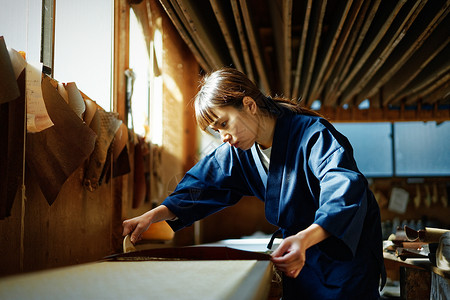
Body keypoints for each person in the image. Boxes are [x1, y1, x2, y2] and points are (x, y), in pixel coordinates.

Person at [122, 67, 386, 299]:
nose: (223, 137)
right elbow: (202, 184)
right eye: (217, 131)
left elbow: (344, 188)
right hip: (298, 253)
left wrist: (305, 239)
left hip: (342, 251)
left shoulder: (312, 134)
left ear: (249, 105)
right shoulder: (239, 150)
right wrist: (154, 215)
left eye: (224, 123)